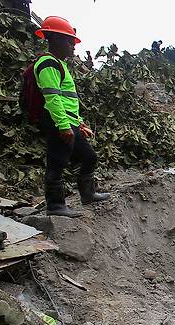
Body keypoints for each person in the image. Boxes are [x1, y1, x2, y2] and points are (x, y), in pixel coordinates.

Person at [33, 16, 109, 217]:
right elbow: (53, 98)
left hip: (68, 121)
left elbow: (68, 100)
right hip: (57, 121)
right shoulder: (47, 64)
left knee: (89, 157)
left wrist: (79, 123)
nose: (73, 46)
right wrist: (63, 126)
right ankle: (56, 206)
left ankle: (88, 194)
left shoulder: (59, 64)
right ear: (56, 39)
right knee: (57, 162)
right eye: (70, 41)